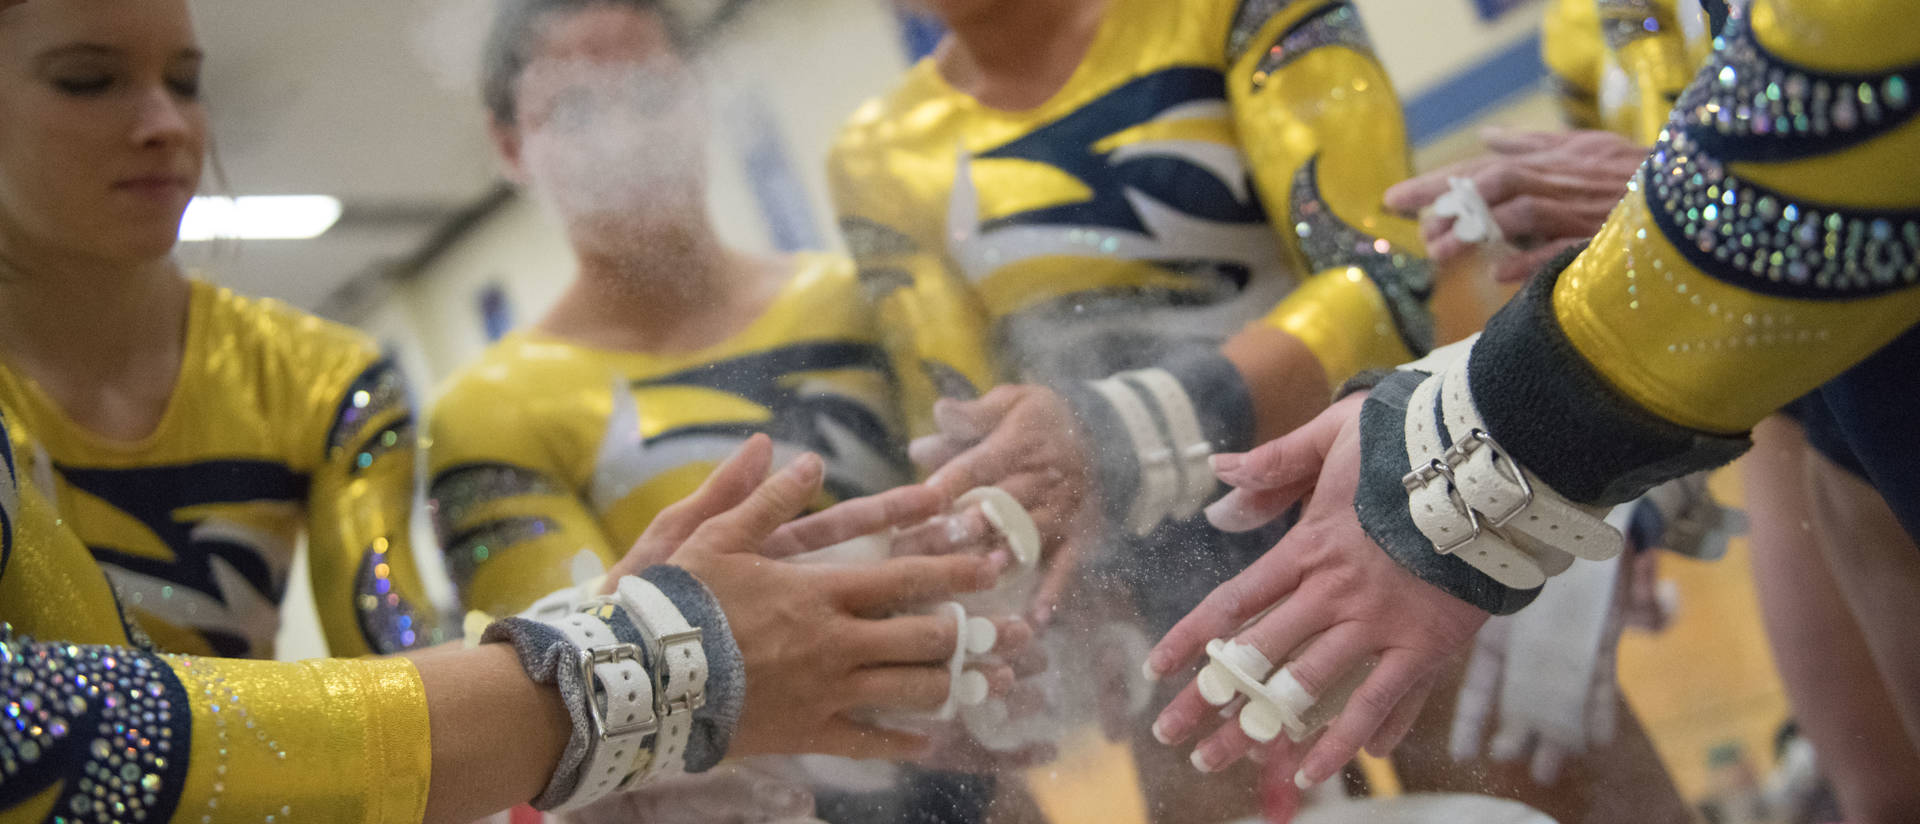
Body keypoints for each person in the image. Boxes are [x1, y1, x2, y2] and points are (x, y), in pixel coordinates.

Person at [0, 1, 1012, 819]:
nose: (167, 122)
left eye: (188, 81)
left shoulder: (317, 376)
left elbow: (407, 656)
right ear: (510, 143)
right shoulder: (488, 407)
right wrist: (615, 666)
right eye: (87, 80)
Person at [1146, 0, 1920, 801]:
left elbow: (1849, 107)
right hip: (1822, 397)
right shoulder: (1579, 23)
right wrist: (1633, 474)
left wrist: (1502, 425)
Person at [828, 0, 1438, 816]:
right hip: (1153, 558)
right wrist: (1051, 588)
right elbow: (971, 426)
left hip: (1386, 486)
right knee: (1211, 786)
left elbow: (1388, 285)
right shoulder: (879, 151)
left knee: (1519, 771)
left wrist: (1121, 433)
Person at [427, 1, 1023, 821]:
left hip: (973, 782)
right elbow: (581, 698)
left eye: (649, 92)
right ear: (510, 146)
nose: (625, 137)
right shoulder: (487, 413)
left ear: (700, 92)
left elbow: (997, 534)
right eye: (573, 110)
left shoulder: (853, 298)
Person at [1385, 2, 1920, 817]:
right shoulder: (1575, 27)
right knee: (1880, 793)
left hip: (1872, 320)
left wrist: (1687, 194)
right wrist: (1640, 479)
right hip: (1800, 396)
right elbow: (1619, 249)